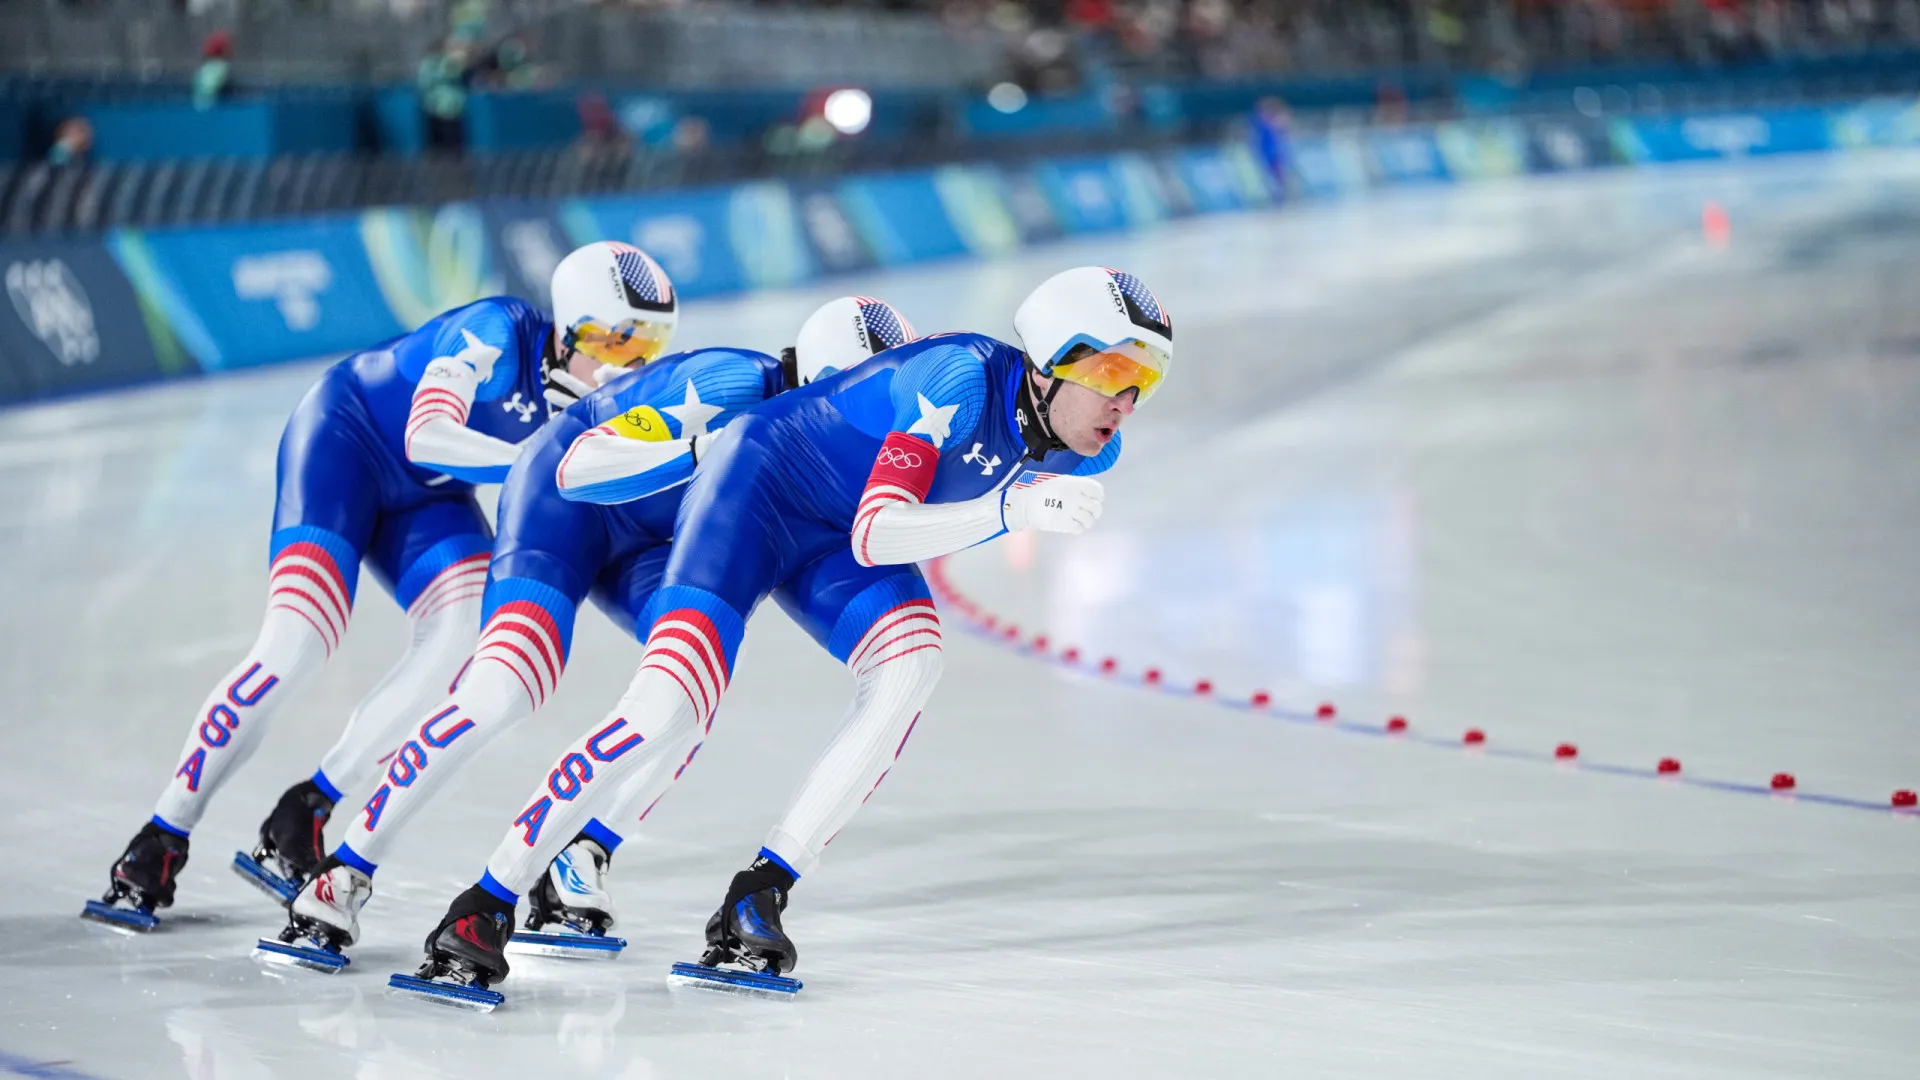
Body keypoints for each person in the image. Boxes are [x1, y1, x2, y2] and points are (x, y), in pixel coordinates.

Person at [404, 266, 1172, 1001]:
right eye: (1110, 373)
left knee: (911, 662)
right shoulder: (959, 380)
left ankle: (759, 893)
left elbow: (890, 527)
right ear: (1047, 362)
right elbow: (879, 533)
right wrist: (1009, 511)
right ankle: (484, 901)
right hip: (757, 488)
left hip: (833, 535)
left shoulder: (1090, 444)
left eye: (1145, 381)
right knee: (667, 706)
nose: (1127, 400)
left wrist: (1006, 506)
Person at [265, 296, 918, 968]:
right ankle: (344, 869)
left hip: (648, 540)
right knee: (502, 690)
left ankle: (582, 854)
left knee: (687, 701)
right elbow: (583, 461)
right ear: (817, 381)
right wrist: (696, 450)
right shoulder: (731, 385)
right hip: (563, 508)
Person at [84, 241, 680, 931]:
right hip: (345, 444)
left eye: (643, 349)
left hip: (430, 501)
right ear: (570, 326)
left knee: (465, 637)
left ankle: (308, 805)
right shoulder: (495, 330)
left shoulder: (586, 397)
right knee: (296, 645)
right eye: (613, 341)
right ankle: (160, 836)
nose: (622, 364)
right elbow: (427, 437)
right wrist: (534, 463)